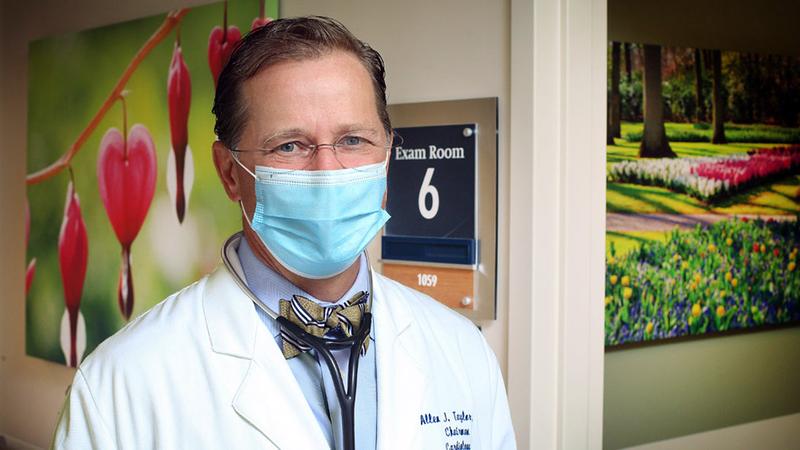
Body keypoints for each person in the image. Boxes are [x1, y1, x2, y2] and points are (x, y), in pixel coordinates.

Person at [51, 16, 515, 450]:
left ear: (387, 154)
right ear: (229, 173)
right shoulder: (121, 385)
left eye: (354, 140)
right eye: (290, 146)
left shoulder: (461, 351)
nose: (327, 170)